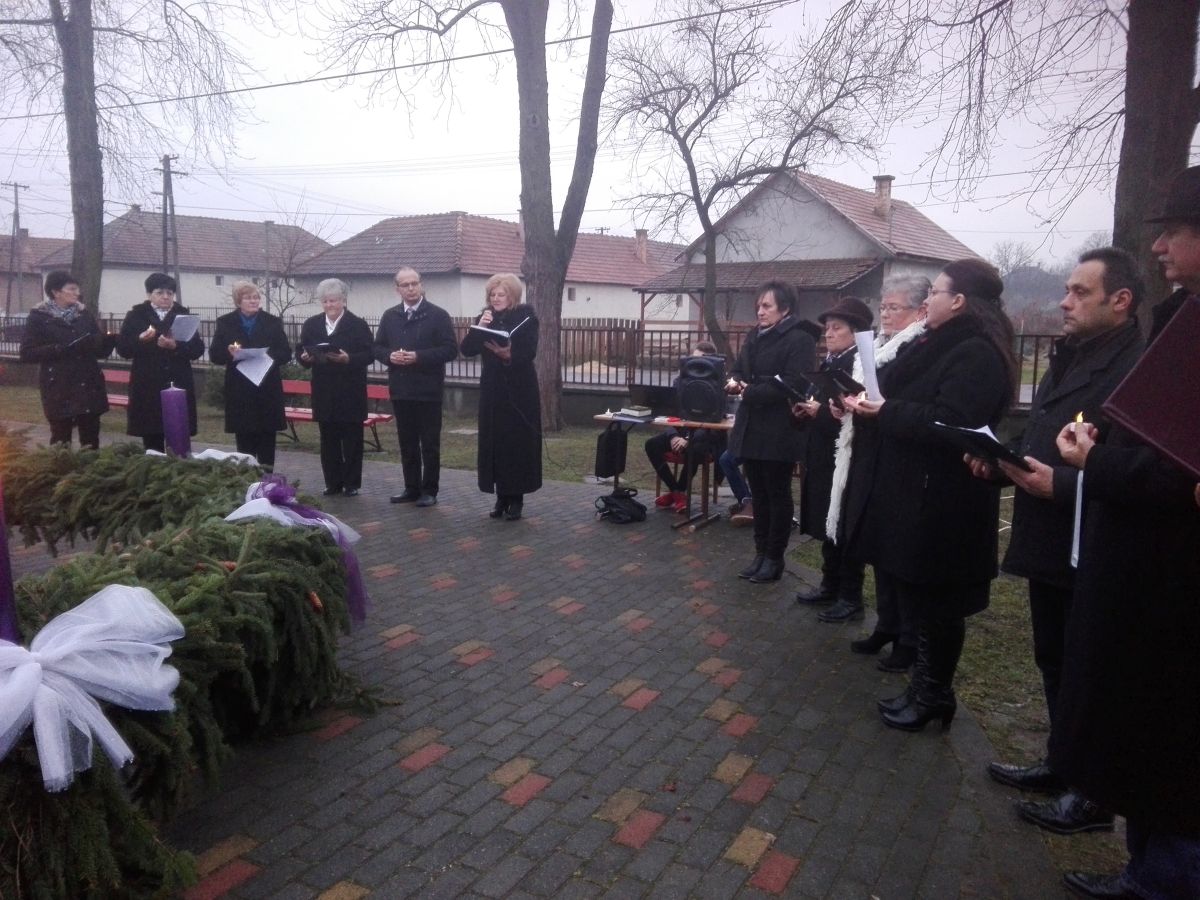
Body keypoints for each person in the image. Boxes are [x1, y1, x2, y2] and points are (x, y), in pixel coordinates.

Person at [1046, 168, 1200, 900]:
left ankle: (1163, 880)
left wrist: (1096, 463)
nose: (1160, 246)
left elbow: (1179, 471)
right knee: (1148, 733)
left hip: (1177, 583)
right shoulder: (1183, 320)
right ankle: (1146, 868)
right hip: (1146, 571)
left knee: (1175, 743)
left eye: (1175, 231)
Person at [978, 249, 1144, 838]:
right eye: (1067, 289)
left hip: (1094, 542)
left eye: (1078, 292)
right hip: (1050, 535)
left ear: (1119, 301)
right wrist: (1000, 461)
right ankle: (1062, 761)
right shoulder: (1072, 353)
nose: (1063, 302)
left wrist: (1066, 484)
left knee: (1090, 669)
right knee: (1055, 657)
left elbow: (1133, 467)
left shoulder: (1136, 366)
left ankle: (1092, 795)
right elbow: (1044, 431)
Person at [843, 258, 1016, 731]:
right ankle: (924, 688)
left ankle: (934, 693)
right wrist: (868, 404)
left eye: (935, 293)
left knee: (940, 605)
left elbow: (952, 422)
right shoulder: (933, 342)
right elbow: (897, 393)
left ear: (958, 301)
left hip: (947, 500)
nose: (927, 301)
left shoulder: (975, 352)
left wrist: (886, 411)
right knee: (922, 602)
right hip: (917, 493)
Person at [829, 275, 929, 670]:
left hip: (900, 460)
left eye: (894, 307)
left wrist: (876, 407)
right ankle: (887, 624)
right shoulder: (879, 348)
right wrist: (848, 405)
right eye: (883, 307)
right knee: (879, 549)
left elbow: (904, 402)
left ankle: (908, 638)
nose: (885, 314)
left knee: (898, 555)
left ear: (919, 311)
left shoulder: (918, 348)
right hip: (869, 453)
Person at [725, 280, 816, 584]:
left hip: (780, 430)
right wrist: (734, 381)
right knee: (759, 496)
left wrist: (747, 391)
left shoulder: (800, 339)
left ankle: (775, 558)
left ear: (785, 308)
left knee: (777, 495)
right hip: (751, 427)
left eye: (767, 306)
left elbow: (792, 383)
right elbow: (739, 368)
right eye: (758, 306)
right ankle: (760, 553)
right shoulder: (755, 335)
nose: (760, 312)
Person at [793, 297, 873, 622]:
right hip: (824, 455)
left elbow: (857, 415)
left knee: (844, 526)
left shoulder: (862, 364)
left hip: (848, 458)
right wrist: (805, 411)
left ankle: (850, 596)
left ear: (856, 332)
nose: (828, 334)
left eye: (836, 328)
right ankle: (829, 584)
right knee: (828, 523)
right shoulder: (830, 362)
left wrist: (822, 413)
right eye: (827, 328)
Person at [459, 273, 542, 520]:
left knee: (515, 443)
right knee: (495, 441)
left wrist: (509, 356)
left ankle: (516, 498)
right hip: (493, 388)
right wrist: (481, 328)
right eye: (492, 294)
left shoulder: (526, 318)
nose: (495, 299)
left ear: (512, 296)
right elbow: (467, 349)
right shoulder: (485, 318)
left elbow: (529, 352)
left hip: (519, 390)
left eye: (501, 294)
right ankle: (500, 496)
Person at [374, 267, 458, 507]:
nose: (411, 288)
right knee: (407, 442)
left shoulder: (437, 315)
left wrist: (418, 356)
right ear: (397, 289)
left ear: (421, 285)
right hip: (401, 389)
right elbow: (377, 347)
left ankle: (429, 490)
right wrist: (390, 356)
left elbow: (450, 349)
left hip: (428, 391)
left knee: (429, 444)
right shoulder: (390, 316)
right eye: (405, 285)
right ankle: (411, 488)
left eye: (414, 283)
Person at [19, 270, 116, 449]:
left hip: (88, 383)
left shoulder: (84, 315)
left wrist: (107, 342)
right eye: (71, 289)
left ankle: (89, 465)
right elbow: (27, 353)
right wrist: (59, 349)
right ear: (56, 292)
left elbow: (97, 349)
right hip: (59, 385)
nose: (77, 293)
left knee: (90, 438)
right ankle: (62, 466)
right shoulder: (40, 318)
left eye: (77, 289)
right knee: (61, 438)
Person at [297, 278, 375, 497]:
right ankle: (332, 482)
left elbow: (370, 353)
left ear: (343, 300)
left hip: (350, 390)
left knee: (351, 439)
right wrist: (304, 357)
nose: (329, 305)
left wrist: (349, 359)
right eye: (325, 301)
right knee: (328, 438)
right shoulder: (312, 324)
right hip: (324, 390)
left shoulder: (357, 325)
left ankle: (351, 483)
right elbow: (300, 350)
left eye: (333, 301)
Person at [115, 272, 205, 452]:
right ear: (149, 294)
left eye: (170, 293)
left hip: (178, 380)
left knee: (179, 437)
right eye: (160, 292)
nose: (165, 297)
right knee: (152, 437)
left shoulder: (183, 315)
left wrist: (175, 346)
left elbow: (197, 349)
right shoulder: (136, 315)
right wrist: (140, 340)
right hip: (148, 383)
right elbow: (123, 349)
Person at [208, 281, 292, 468]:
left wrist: (266, 355)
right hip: (240, 390)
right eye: (248, 298)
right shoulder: (225, 322)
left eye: (256, 297)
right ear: (238, 301)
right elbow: (215, 355)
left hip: (267, 388)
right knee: (244, 444)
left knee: (267, 442)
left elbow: (285, 353)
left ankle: (267, 479)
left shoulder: (272, 322)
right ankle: (247, 479)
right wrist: (230, 353)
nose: (253, 301)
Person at [645, 340, 726, 513]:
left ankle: (679, 491)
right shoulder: (681, 382)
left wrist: (688, 439)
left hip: (705, 437)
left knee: (694, 450)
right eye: (693, 360)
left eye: (701, 361)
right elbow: (670, 414)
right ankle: (676, 492)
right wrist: (674, 435)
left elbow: (714, 425)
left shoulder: (718, 386)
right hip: (680, 431)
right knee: (651, 444)